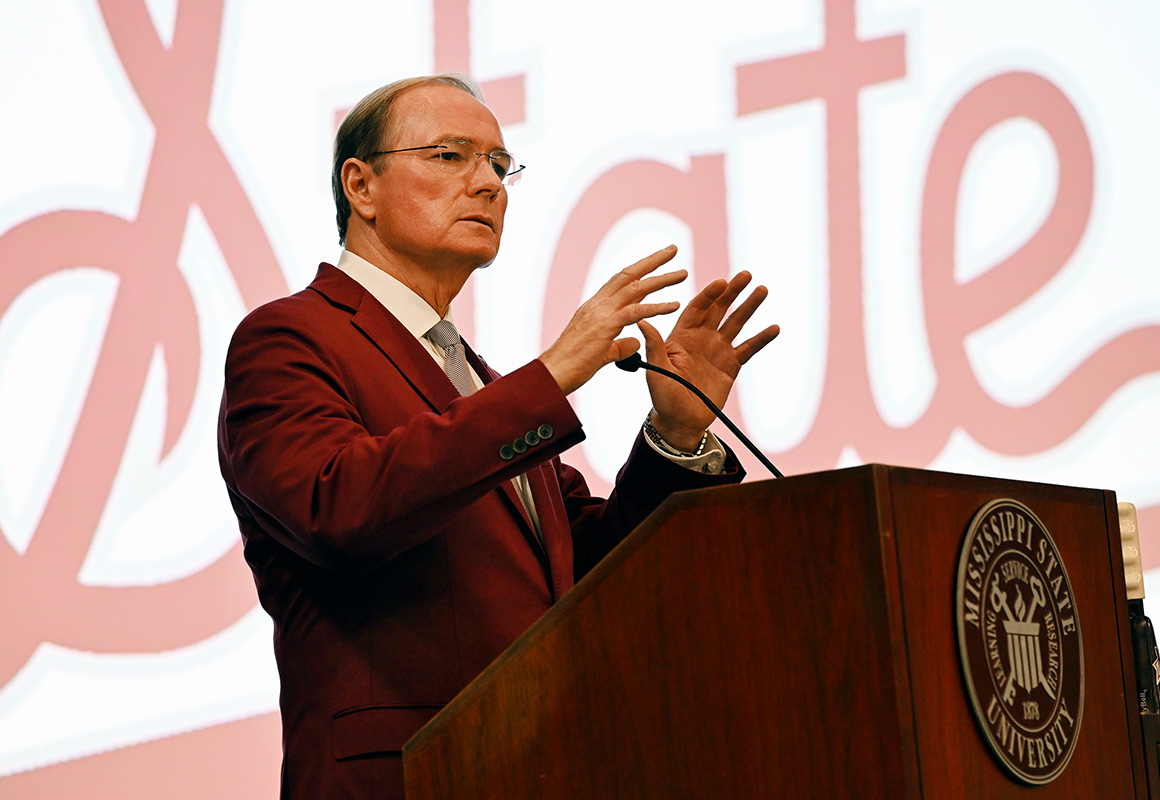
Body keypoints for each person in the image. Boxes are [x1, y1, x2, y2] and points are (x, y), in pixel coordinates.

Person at [217, 74, 778, 799]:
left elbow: (586, 570)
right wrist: (552, 375)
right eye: (451, 156)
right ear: (361, 186)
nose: (487, 183)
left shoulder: (476, 382)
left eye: (498, 163)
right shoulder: (290, 337)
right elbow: (338, 508)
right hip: (405, 777)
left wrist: (674, 433)